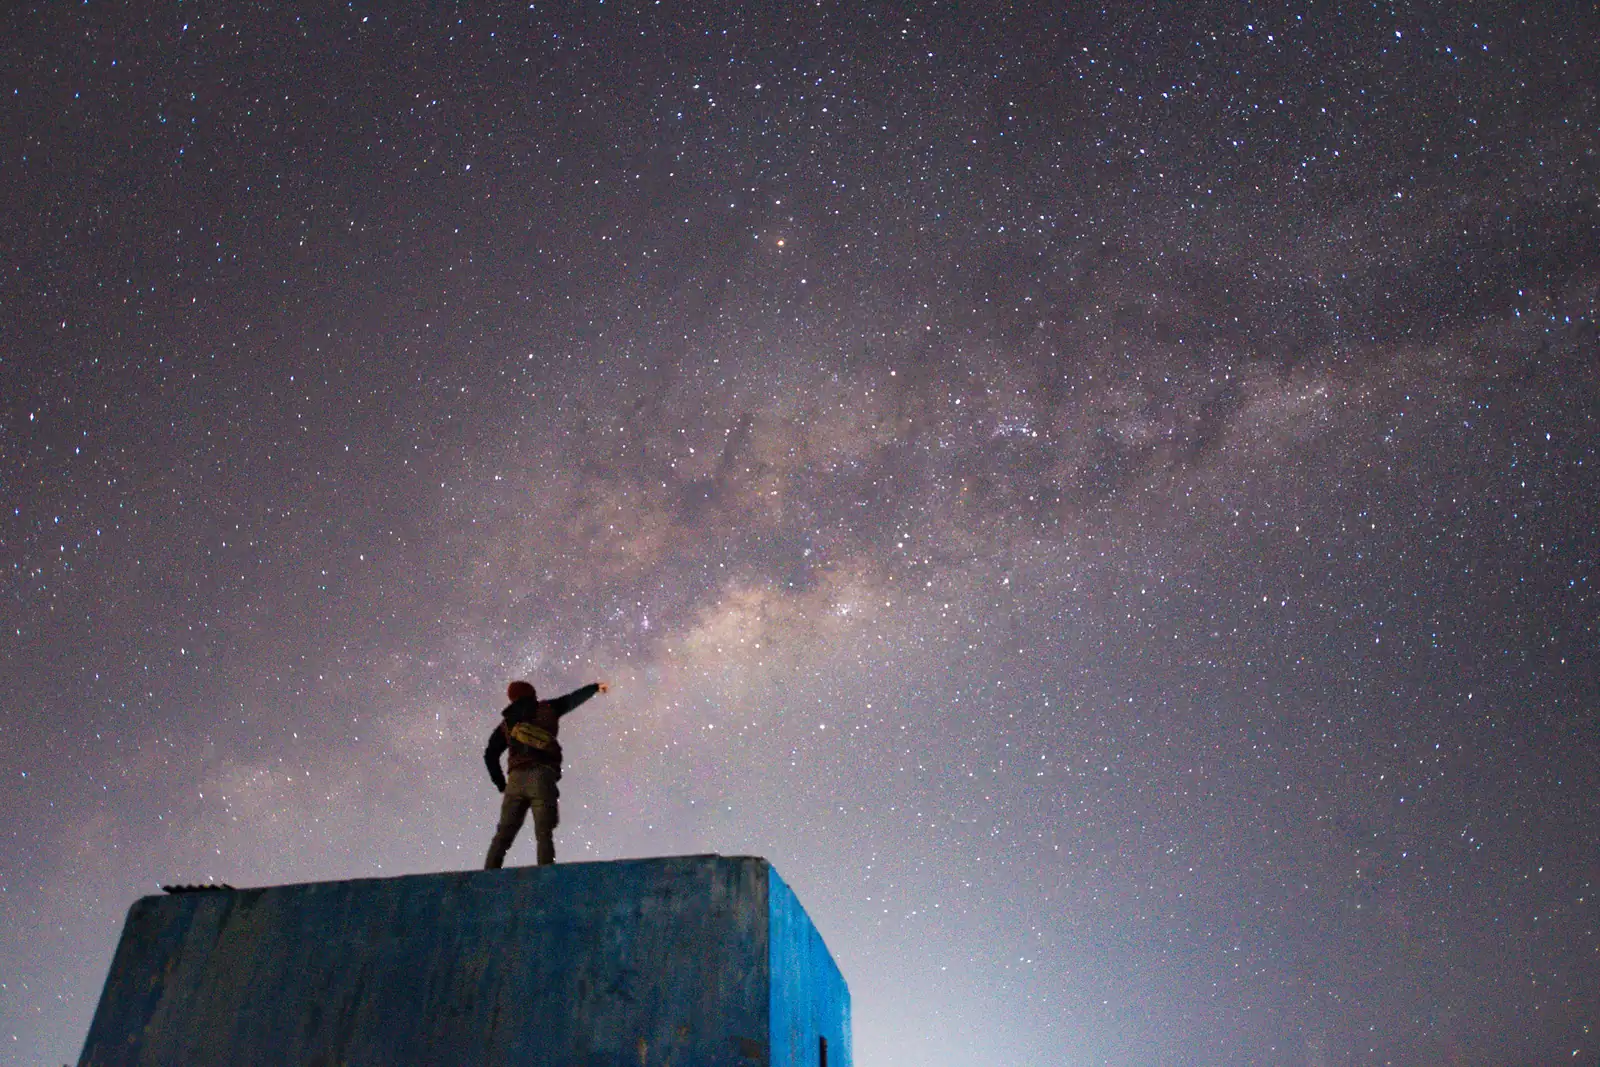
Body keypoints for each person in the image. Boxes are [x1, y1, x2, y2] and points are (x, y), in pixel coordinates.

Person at [483, 678, 609, 868]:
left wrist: (502, 784)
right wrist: (594, 688)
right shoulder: (548, 708)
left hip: (515, 779)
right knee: (544, 834)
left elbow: (490, 755)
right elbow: (572, 699)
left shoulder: (507, 724)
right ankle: (545, 875)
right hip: (542, 775)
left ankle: (488, 876)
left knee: (503, 835)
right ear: (532, 693)